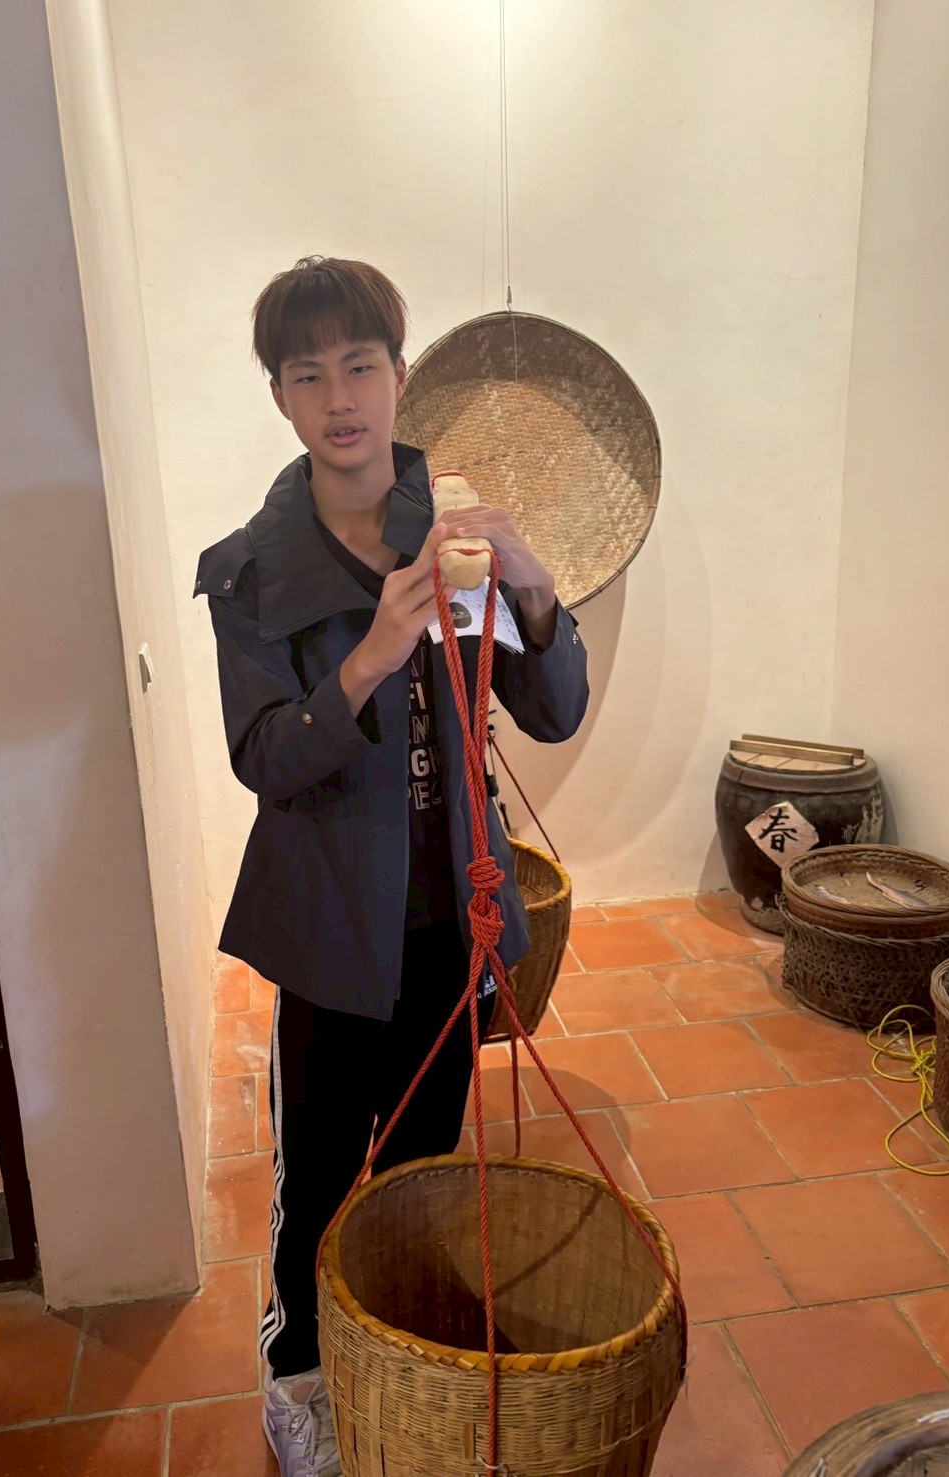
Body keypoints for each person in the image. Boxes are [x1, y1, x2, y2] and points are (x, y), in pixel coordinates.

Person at [193, 256, 589, 1476]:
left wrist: (533, 588)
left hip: (448, 913)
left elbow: (555, 711)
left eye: (359, 365)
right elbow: (265, 758)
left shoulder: (459, 536)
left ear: (400, 376)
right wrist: (370, 652)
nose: (339, 396)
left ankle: (398, 1358)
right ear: (280, 396)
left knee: (421, 1162)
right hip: (326, 927)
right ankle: (298, 1374)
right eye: (307, 373)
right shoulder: (251, 573)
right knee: (316, 1170)